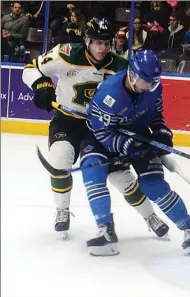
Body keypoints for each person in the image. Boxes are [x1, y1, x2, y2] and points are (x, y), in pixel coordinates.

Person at [22, 18, 169, 240]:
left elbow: (139, 98)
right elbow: (31, 69)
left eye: (106, 43)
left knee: (121, 175)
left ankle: (149, 216)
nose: (102, 48)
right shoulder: (66, 54)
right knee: (59, 161)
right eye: (97, 43)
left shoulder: (120, 66)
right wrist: (40, 85)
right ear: (87, 41)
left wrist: (151, 127)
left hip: (102, 126)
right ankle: (62, 210)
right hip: (68, 120)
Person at [80, 49, 190, 257]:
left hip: (138, 135)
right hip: (101, 139)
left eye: (154, 82)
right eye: (147, 81)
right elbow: (101, 131)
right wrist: (125, 145)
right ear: (132, 74)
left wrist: (161, 133)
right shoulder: (108, 94)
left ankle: (189, 228)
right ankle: (106, 233)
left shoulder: (153, 87)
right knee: (92, 172)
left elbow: (156, 114)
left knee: (153, 185)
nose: (151, 86)